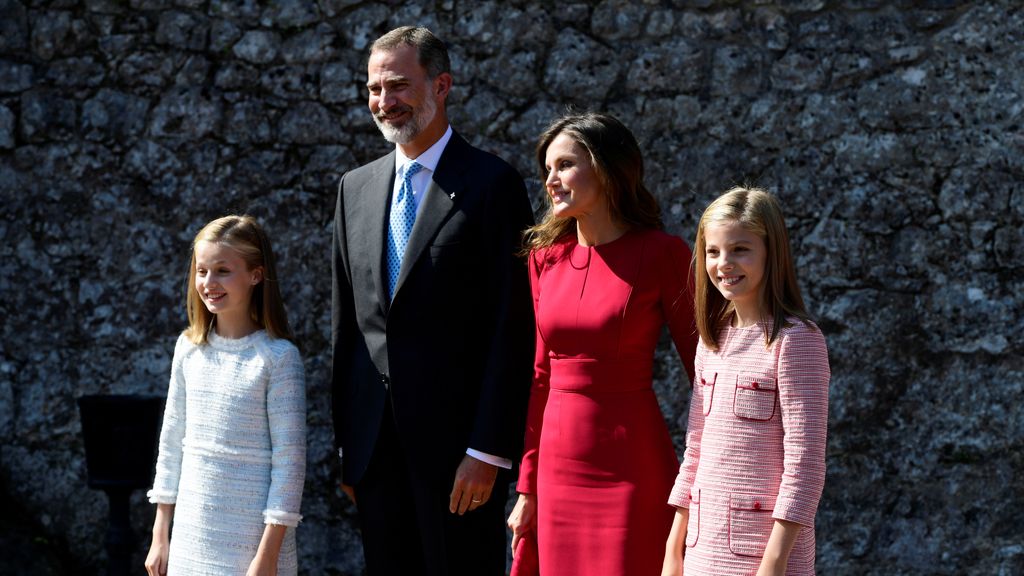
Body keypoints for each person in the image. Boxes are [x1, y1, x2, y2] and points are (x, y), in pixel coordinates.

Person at [330, 26, 535, 575]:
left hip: (459, 456)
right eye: (374, 89)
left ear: (441, 85)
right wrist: (350, 447)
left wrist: (487, 450)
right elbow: (348, 328)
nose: (384, 101)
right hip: (374, 454)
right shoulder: (354, 188)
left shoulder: (493, 184)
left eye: (398, 85)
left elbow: (512, 327)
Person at [506, 112, 699, 576]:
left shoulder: (662, 253)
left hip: (632, 465)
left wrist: (707, 470)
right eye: (547, 169)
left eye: (565, 165)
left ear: (608, 169)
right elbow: (540, 378)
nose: (551, 180)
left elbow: (707, 370)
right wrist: (527, 487)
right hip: (556, 470)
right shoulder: (544, 259)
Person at [661, 187, 830, 576]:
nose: (724, 263)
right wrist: (673, 548)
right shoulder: (712, 339)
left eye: (740, 249)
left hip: (765, 556)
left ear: (772, 253)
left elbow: (805, 465)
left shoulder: (796, 340)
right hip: (702, 549)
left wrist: (774, 563)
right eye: (713, 251)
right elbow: (695, 451)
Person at [145, 215, 307, 576]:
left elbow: (290, 465)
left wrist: (267, 557)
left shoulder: (278, 358)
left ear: (256, 275)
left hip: (251, 546)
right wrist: (160, 535)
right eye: (201, 271)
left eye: (222, 271)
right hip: (190, 538)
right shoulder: (188, 349)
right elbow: (171, 445)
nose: (209, 283)